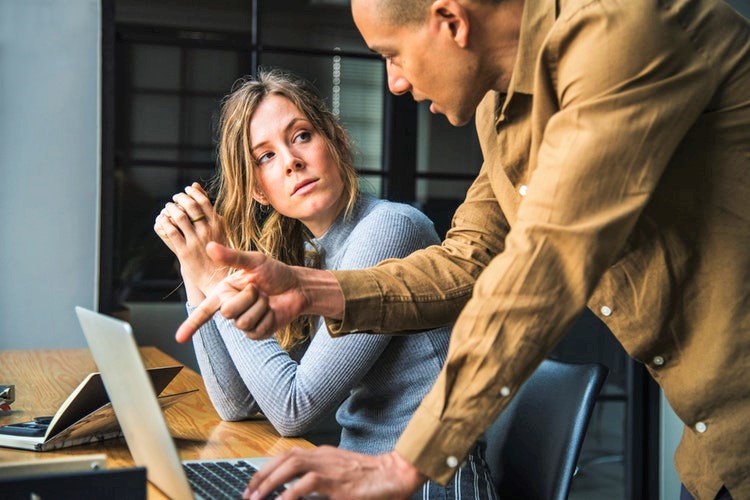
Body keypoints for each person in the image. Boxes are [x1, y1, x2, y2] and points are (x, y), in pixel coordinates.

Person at [177, 0, 750, 498]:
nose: (395, 82)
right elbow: (467, 261)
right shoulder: (498, 112)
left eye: (391, 54)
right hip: (714, 450)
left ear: (450, 21)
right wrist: (305, 289)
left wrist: (408, 462)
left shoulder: (620, 35)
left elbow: (545, 263)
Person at [154, 69, 497, 499]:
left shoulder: (390, 229)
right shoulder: (312, 252)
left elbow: (292, 408)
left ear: (336, 140)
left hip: (427, 486)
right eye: (265, 157)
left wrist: (218, 279)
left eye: (300, 136)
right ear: (260, 191)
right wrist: (195, 268)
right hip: (358, 481)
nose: (291, 161)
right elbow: (236, 405)